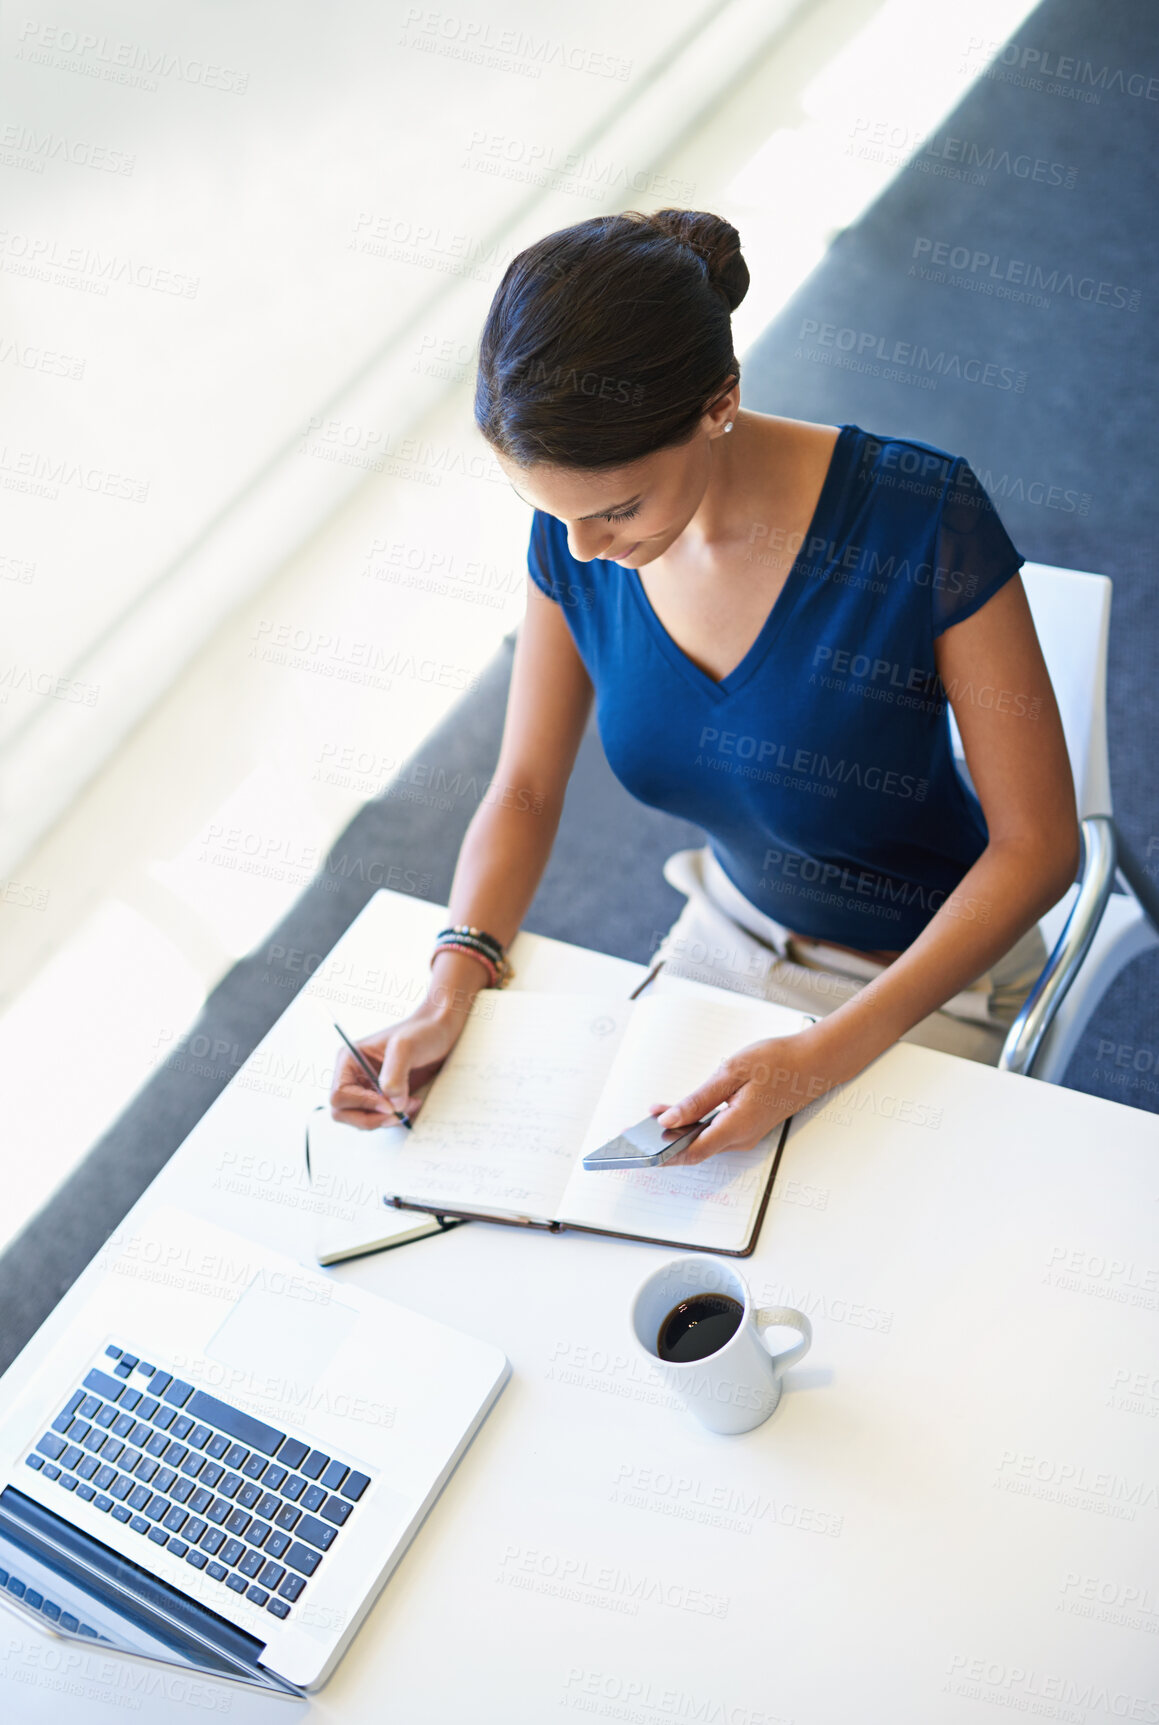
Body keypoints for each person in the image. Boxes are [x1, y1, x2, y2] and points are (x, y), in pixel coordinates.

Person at [329, 208, 1079, 1164]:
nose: (582, 550)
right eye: (549, 510)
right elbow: (522, 788)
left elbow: (1038, 847)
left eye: (616, 508)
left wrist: (820, 1056)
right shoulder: (579, 536)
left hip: (929, 972)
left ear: (718, 400)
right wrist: (452, 982)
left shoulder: (921, 517)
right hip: (727, 930)